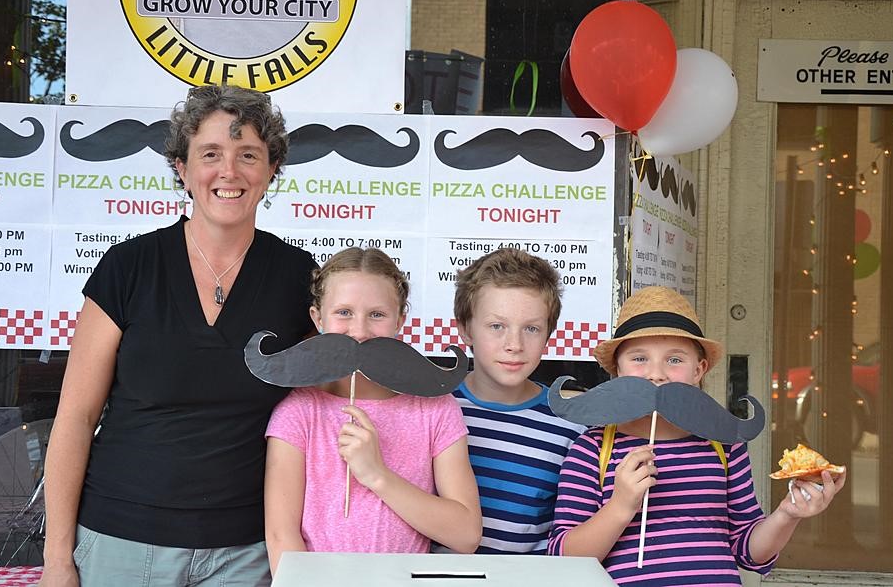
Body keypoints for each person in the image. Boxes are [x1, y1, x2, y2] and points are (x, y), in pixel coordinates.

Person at [40, 85, 318, 587]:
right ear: (182, 169)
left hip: (248, 552)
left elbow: (325, 406)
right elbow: (76, 418)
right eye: (210, 154)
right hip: (121, 542)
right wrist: (57, 559)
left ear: (271, 169)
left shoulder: (299, 276)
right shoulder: (129, 267)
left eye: (248, 154)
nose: (228, 171)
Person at [548, 286, 846, 586]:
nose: (656, 374)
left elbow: (749, 552)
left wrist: (787, 514)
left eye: (675, 360)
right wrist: (621, 505)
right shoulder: (592, 450)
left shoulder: (724, 447)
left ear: (698, 370)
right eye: (639, 358)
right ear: (617, 370)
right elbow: (565, 557)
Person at [263, 247, 482, 573]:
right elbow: (281, 537)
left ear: (400, 320)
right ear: (318, 319)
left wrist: (376, 474)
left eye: (377, 315)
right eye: (344, 312)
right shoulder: (299, 412)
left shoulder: (435, 408)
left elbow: (466, 535)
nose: (360, 331)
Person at [445, 248, 585, 554]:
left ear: (549, 334)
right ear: (465, 329)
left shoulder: (570, 425)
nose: (514, 345)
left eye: (531, 329)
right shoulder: (434, 409)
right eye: (497, 326)